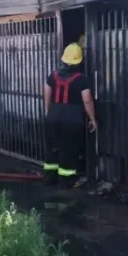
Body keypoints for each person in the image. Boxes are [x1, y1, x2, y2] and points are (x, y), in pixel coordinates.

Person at [43, 42, 97, 188]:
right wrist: (92, 119)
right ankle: (66, 181)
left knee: (53, 148)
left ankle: (49, 178)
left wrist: (50, 113)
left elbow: (46, 96)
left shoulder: (52, 76)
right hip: (72, 120)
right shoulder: (81, 79)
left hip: (53, 117)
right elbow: (87, 100)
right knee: (69, 150)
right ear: (79, 61)